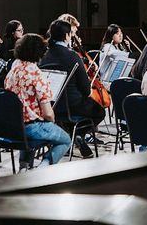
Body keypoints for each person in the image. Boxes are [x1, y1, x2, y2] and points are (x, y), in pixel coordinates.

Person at [4, 33, 72, 166]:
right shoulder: (37, 75)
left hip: (13, 127)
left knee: (32, 128)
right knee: (66, 140)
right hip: (31, 128)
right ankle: (42, 169)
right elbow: (47, 114)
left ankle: (23, 168)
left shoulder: (12, 72)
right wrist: (51, 121)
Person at [40, 18, 105, 157]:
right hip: (73, 104)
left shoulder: (43, 56)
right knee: (99, 111)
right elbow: (86, 90)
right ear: (66, 36)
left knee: (68, 117)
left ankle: (68, 136)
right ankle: (79, 134)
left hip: (51, 105)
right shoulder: (73, 56)